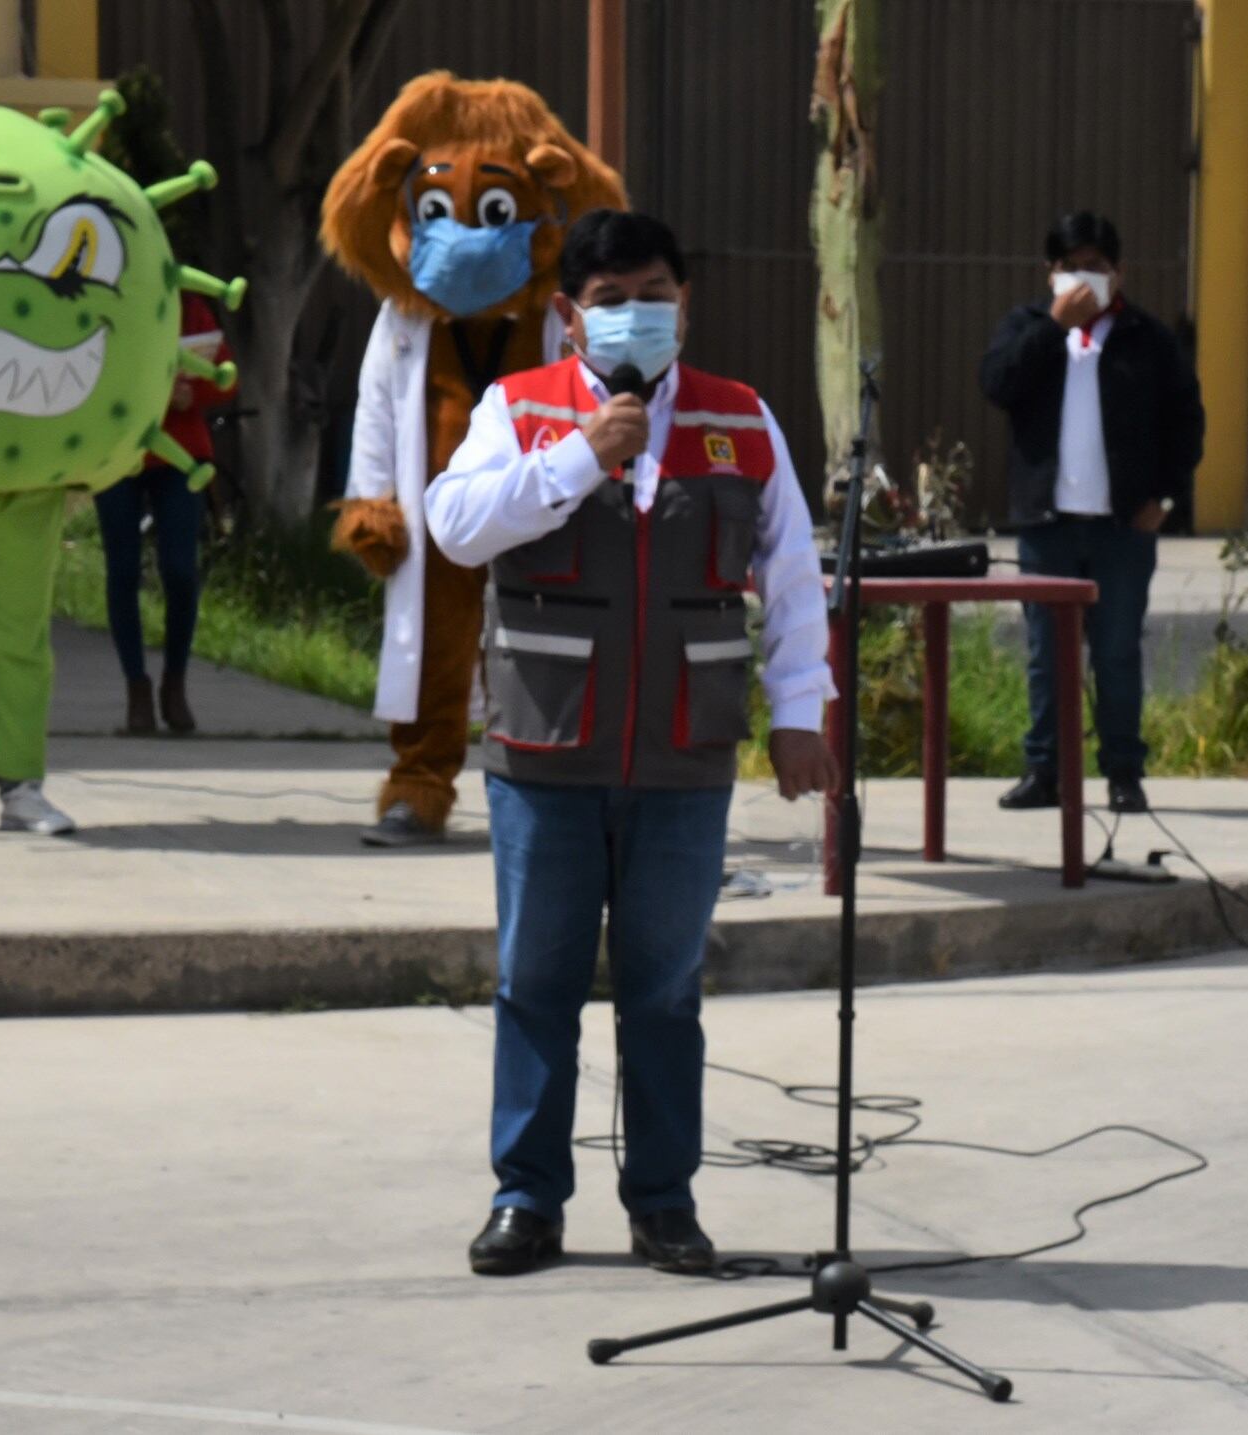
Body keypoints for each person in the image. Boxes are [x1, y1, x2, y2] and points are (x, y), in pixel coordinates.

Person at [426, 210, 837, 1277]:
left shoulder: (740, 419)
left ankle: (663, 1202)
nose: (635, 315)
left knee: (663, 990)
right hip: (546, 752)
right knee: (535, 982)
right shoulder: (519, 409)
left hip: (683, 758)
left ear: (683, 304)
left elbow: (791, 576)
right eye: (610, 300)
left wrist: (801, 711)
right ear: (570, 314)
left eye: (654, 295)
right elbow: (455, 527)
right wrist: (578, 458)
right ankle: (526, 1199)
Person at [320, 73, 626, 848]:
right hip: (437, 518)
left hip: (538, 505)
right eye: (434, 210)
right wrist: (372, 500)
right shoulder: (403, 320)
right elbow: (376, 409)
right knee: (438, 646)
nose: (462, 237)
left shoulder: (555, 320)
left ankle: (552, 788)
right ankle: (420, 782)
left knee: (544, 646)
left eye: (492, 210)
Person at [979, 212, 1204, 815]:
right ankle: (1044, 770)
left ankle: (1124, 773)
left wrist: (1166, 499)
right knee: (1045, 655)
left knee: (1117, 652)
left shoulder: (1147, 338)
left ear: (1119, 271)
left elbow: (1186, 422)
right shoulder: (1027, 327)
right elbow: (997, 384)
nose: (1084, 277)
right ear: (1050, 272)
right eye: (1071, 266)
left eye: (1096, 266)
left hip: (1122, 528)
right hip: (1047, 524)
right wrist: (1054, 327)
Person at [94, 290, 230, 735]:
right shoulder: (103, 301)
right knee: (122, 569)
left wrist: (193, 392)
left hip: (181, 456)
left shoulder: (188, 306)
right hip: (118, 451)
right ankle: (136, 688)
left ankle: (175, 683)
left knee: (180, 569)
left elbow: (226, 376)